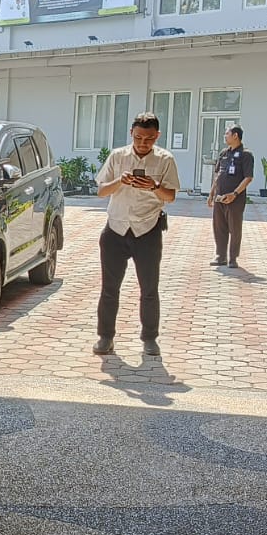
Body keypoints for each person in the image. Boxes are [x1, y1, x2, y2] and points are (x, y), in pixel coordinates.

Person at [93, 114, 179, 358]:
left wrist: (153, 186)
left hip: (147, 230)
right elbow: (101, 191)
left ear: (157, 136)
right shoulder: (118, 156)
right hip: (116, 229)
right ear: (131, 132)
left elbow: (170, 196)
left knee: (149, 289)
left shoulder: (165, 160)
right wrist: (120, 181)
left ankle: (150, 338)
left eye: (149, 139)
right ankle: (105, 337)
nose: (143, 143)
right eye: (139, 137)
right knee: (109, 288)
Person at [207, 125, 254, 268]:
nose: (224, 136)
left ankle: (233, 258)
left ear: (235, 135)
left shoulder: (246, 155)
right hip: (220, 197)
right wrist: (211, 194)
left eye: (227, 133)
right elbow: (218, 175)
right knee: (219, 227)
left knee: (235, 228)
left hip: (235, 198)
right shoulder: (223, 153)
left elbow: (248, 177)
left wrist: (235, 194)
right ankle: (221, 256)